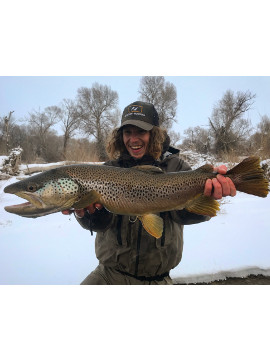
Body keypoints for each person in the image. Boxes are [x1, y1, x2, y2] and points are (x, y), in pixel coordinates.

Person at [63, 101, 236, 285]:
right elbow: (100, 224)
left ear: (154, 133)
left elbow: (186, 216)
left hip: (158, 280)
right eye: (128, 132)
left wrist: (207, 197)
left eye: (141, 132)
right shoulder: (108, 171)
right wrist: (86, 215)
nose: (133, 139)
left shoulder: (177, 168)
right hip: (108, 275)